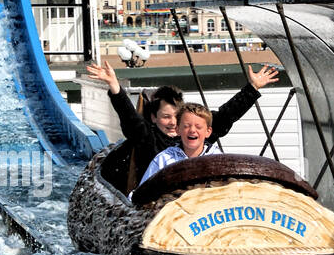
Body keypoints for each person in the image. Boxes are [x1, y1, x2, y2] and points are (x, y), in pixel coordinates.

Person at [84, 59, 279, 191]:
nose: (172, 123)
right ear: (153, 118)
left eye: (177, 118)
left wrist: (252, 89)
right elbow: (129, 118)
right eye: (166, 117)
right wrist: (115, 88)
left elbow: (226, 115)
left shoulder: (196, 135)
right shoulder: (149, 140)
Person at [138, 103, 214, 186]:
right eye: (186, 126)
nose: (192, 130)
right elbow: (142, 191)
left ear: (208, 132)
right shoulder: (163, 159)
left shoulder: (217, 159)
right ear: (177, 130)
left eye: (198, 127)